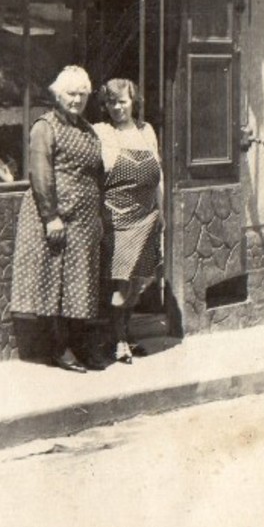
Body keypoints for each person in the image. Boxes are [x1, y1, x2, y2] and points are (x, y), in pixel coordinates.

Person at [10, 65, 105, 372]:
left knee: (80, 284)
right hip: (56, 217)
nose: (76, 100)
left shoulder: (87, 129)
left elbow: (96, 174)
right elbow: (40, 172)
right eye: (70, 94)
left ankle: (80, 346)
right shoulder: (45, 126)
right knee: (54, 282)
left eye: (82, 94)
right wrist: (51, 217)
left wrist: (99, 216)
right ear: (57, 95)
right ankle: (59, 348)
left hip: (85, 220)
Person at [94, 78, 164, 364]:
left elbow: (159, 173)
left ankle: (122, 333)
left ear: (134, 102)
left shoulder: (146, 131)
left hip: (146, 216)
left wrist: (163, 214)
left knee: (139, 280)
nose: (117, 107)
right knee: (121, 282)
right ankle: (120, 339)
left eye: (122, 101)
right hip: (117, 218)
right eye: (111, 102)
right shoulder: (101, 132)